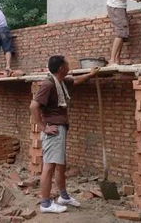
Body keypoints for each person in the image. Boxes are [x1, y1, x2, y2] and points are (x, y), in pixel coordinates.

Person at [29, 55, 99, 214]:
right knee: (49, 167)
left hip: (60, 128)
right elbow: (33, 106)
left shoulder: (61, 81)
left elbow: (76, 81)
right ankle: (45, 204)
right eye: (67, 63)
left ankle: (64, 197)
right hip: (53, 130)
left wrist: (90, 74)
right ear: (61, 68)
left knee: (61, 166)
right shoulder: (48, 84)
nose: (70, 64)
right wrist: (42, 127)